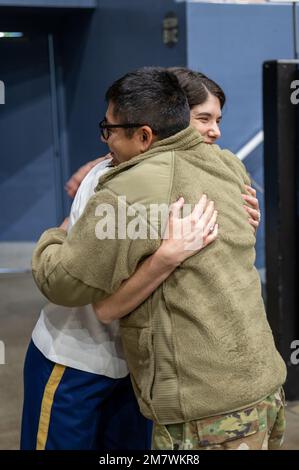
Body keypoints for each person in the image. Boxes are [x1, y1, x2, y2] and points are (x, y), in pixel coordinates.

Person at [31, 67, 286, 451]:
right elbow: (99, 305)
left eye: (217, 120)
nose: (212, 132)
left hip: (189, 393)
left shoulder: (137, 184)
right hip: (95, 359)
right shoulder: (225, 167)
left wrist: (59, 231)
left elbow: (69, 285)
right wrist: (165, 258)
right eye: (203, 119)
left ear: (146, 133)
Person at [65, 68, 260, 234]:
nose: (216, 132)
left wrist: (239, 223)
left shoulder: (220, 170)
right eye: (203, 119)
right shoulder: (114, 179)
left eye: (217, 121)